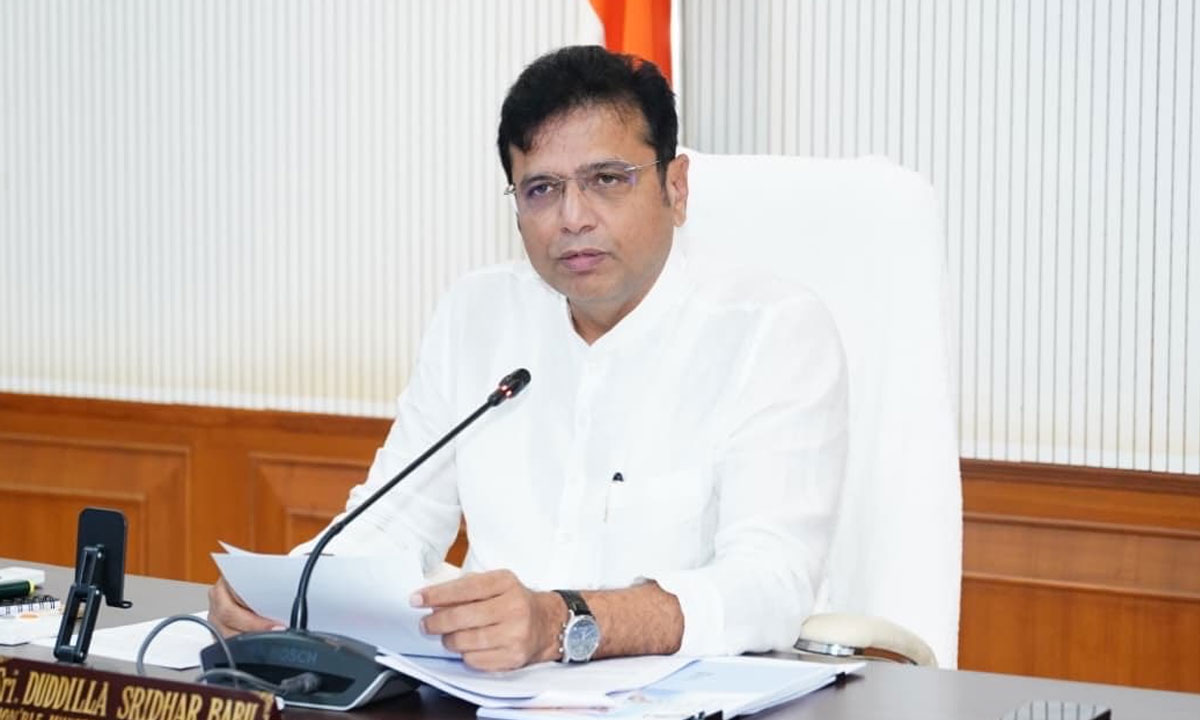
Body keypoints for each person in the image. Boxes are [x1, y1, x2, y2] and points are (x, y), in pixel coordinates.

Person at [209, 45, 848, 673]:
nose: (573, 217)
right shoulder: (476, 314)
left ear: (675, 189)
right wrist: (286, 590)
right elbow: (392, 523)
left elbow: (771, 583)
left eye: (607, 180)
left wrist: (564, 623)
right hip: (483, 693)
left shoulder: (772, 331)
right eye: (541, 189)